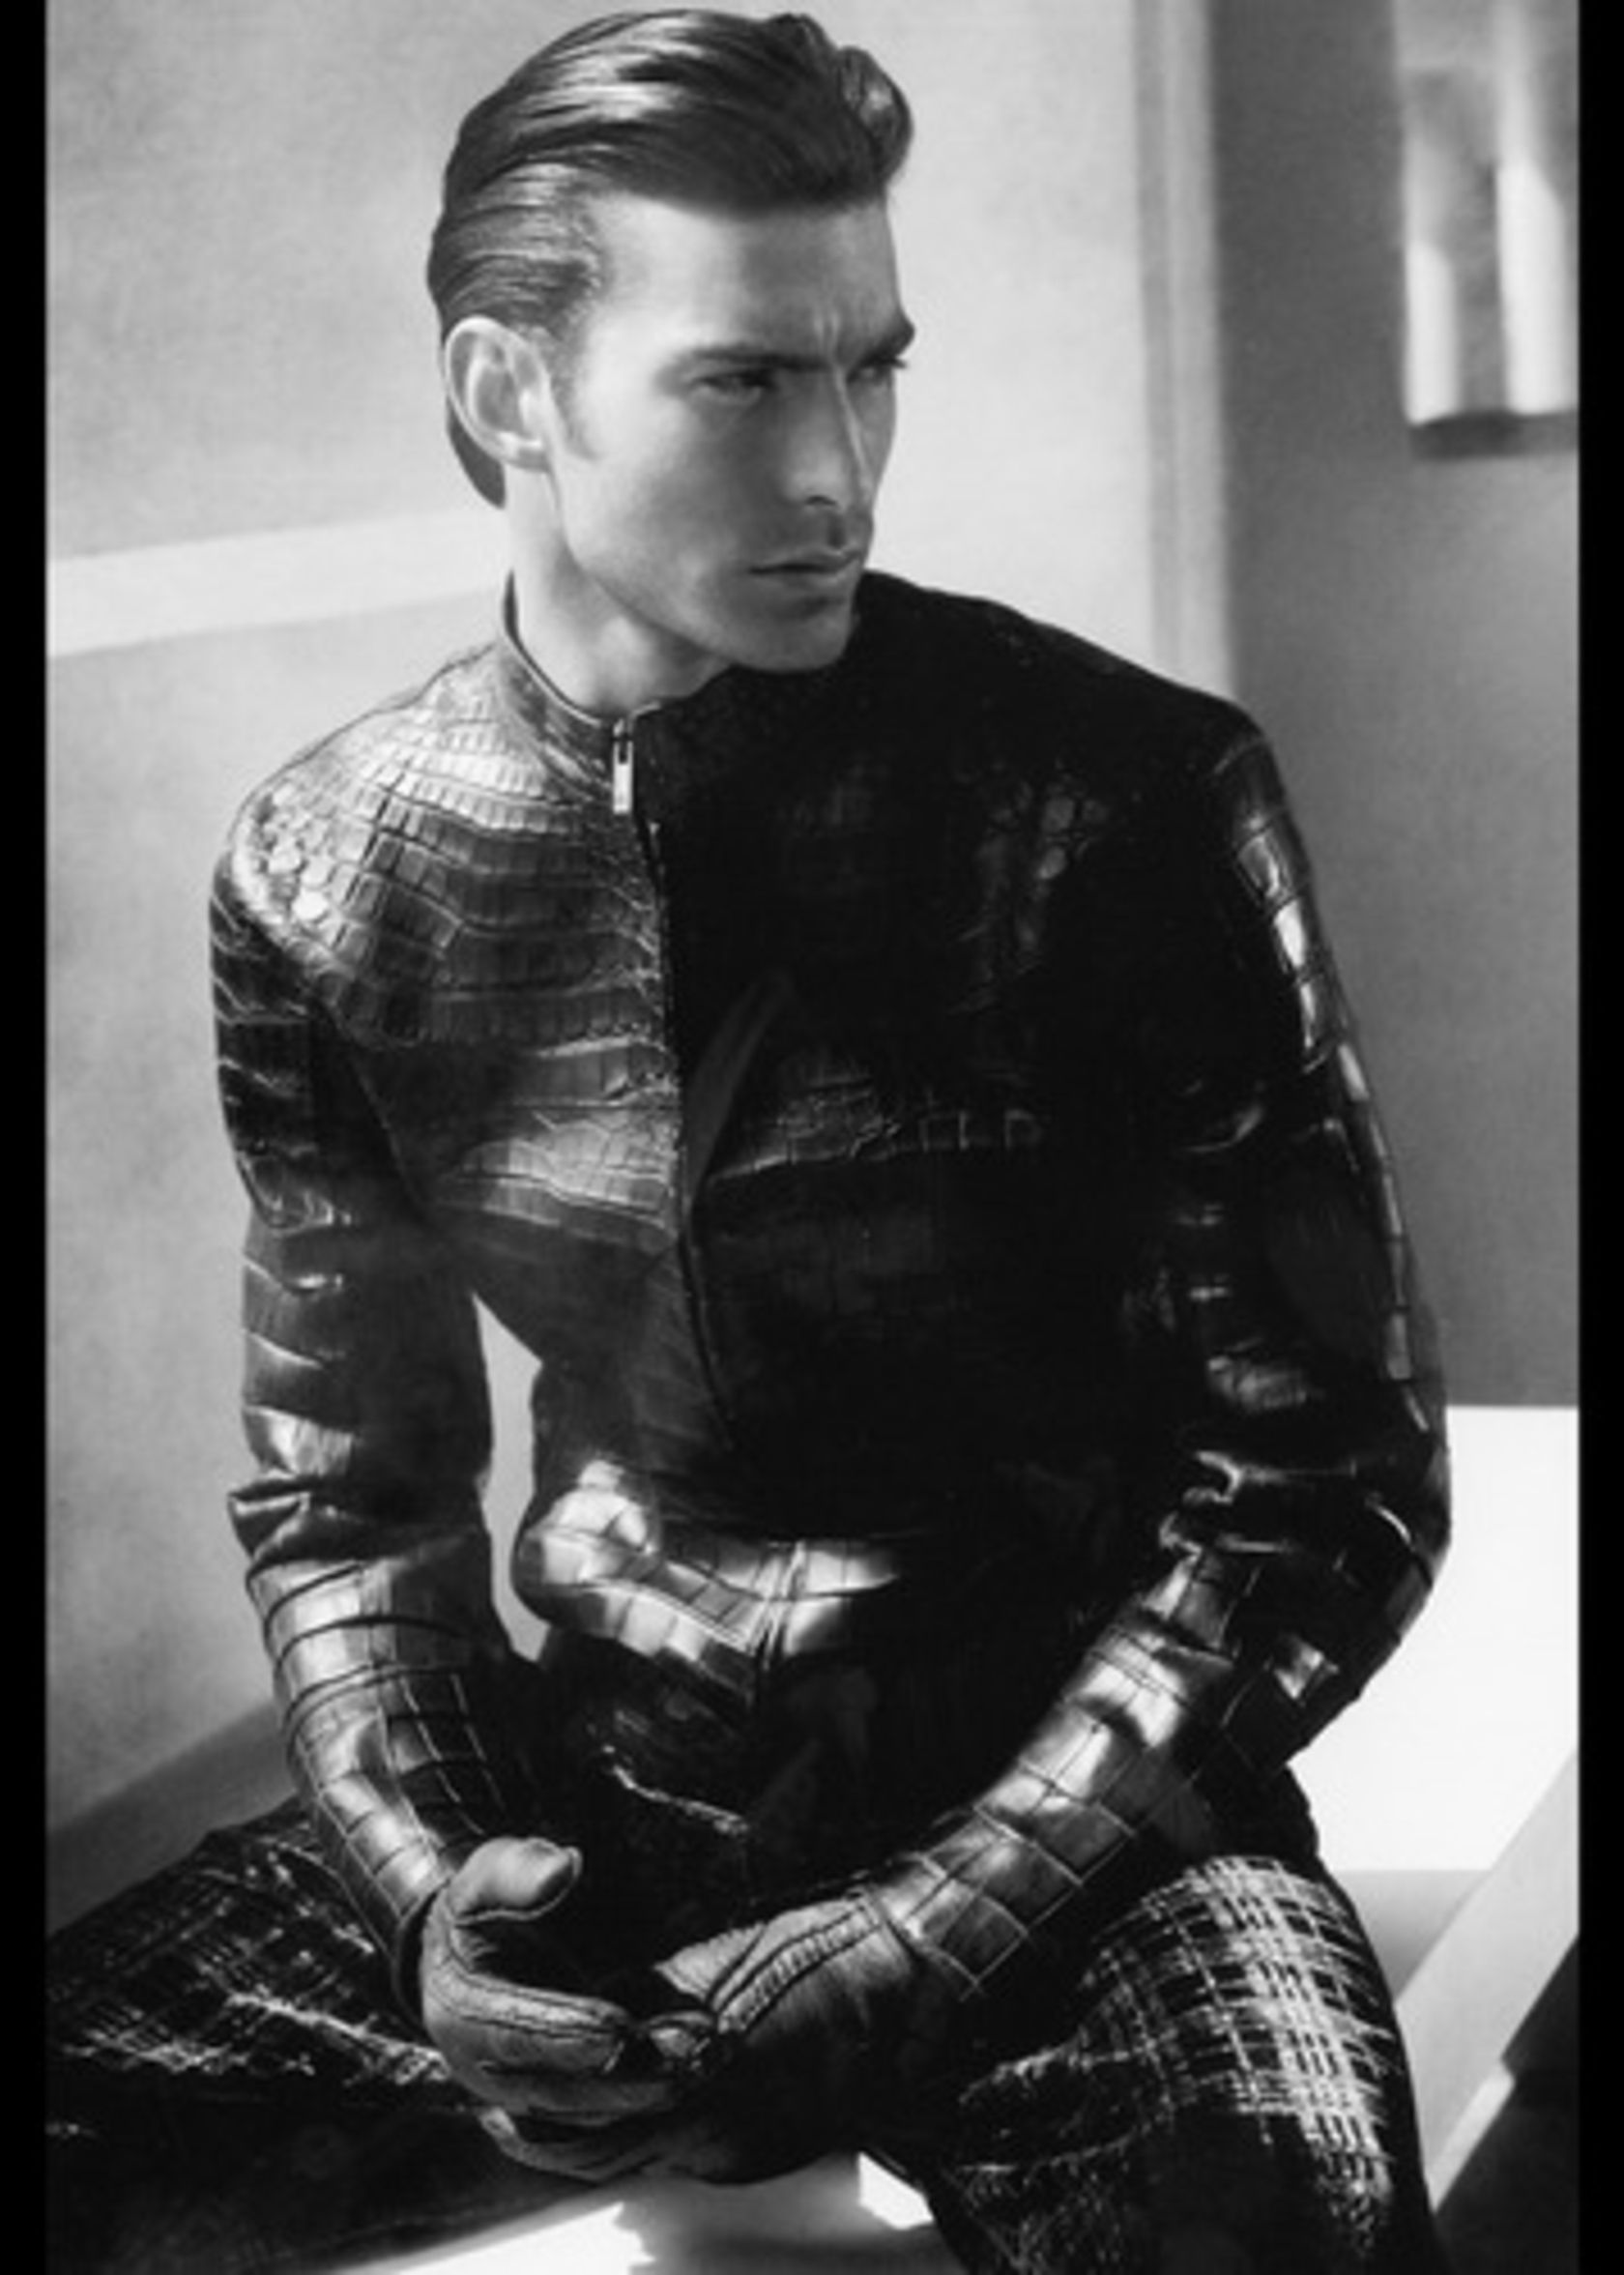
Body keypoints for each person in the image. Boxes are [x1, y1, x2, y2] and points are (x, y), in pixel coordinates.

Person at [47, 11, 1455, 2270]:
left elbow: (1327, 1484)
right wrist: (435, 1898)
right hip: (599, 1810)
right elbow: (353, 1506)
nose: (838, 470)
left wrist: (918, 1936)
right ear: (510, 392)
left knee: (1284, 2219)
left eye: (869, 369)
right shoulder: (322, 868)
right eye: (742, 382)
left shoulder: (1127, 793)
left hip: (1083, 1843)